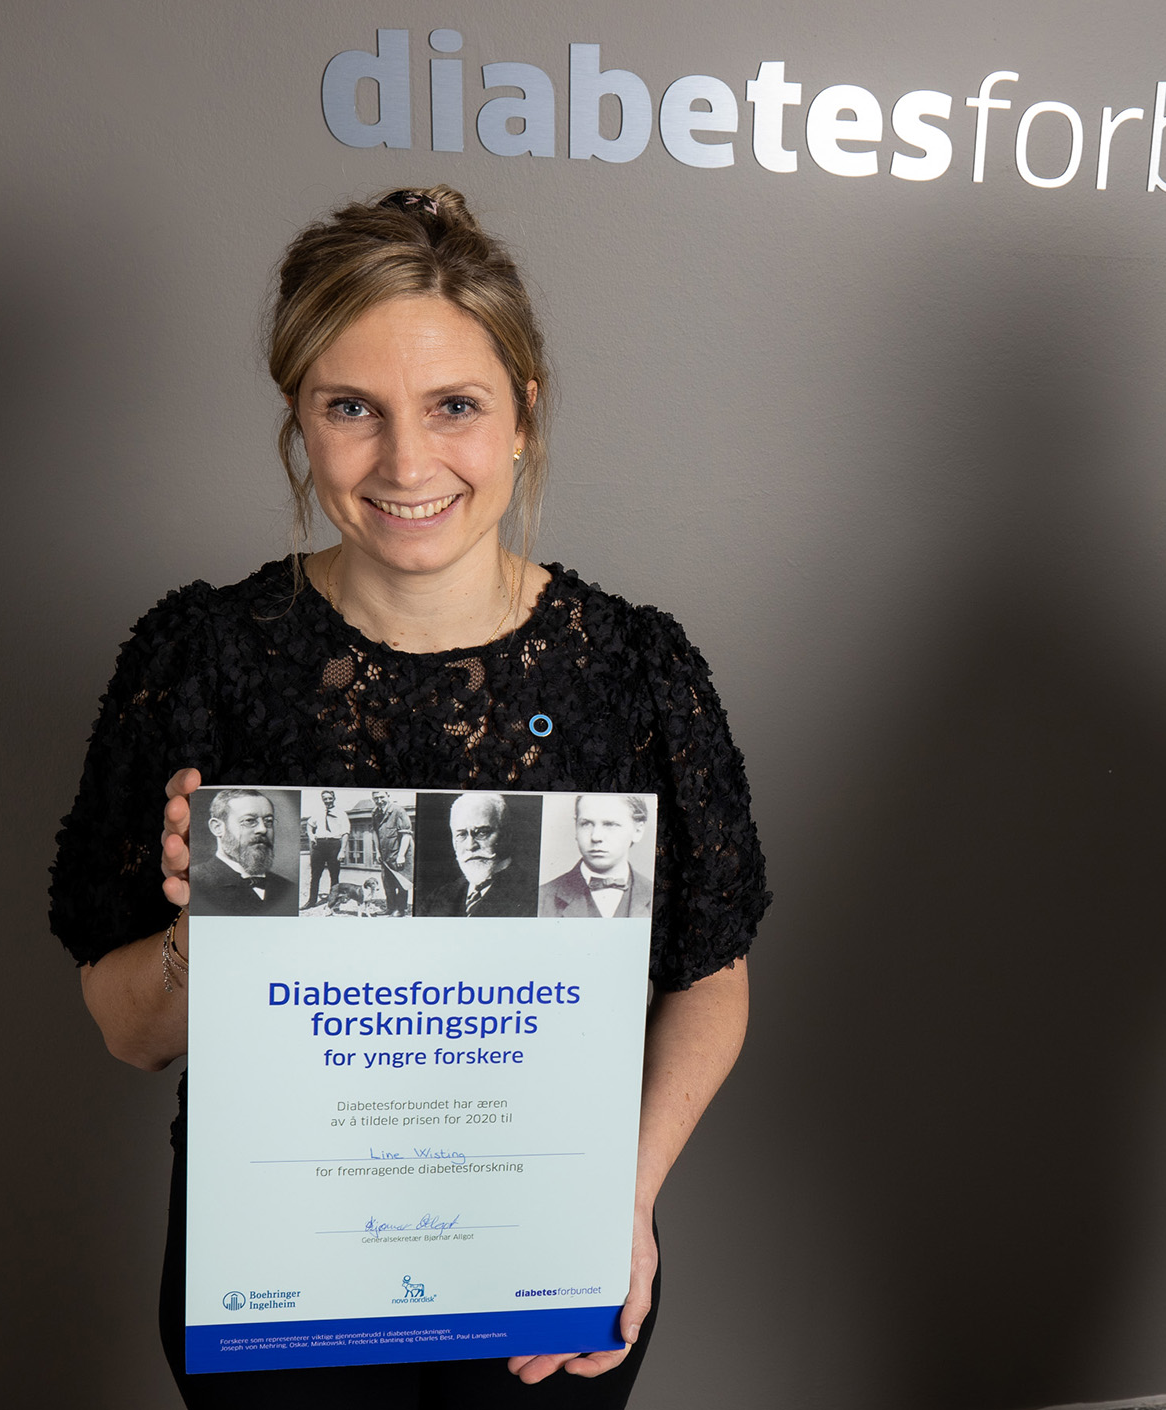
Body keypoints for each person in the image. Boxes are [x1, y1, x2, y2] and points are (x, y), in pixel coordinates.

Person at [51, 186, 770, 1407]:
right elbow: (130, 1033)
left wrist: (626, 1197)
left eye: (454, 406)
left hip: (542, 1261)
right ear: (299, 416)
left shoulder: (635, 671)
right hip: (276, 1269)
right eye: (351, 408)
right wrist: (203, 937)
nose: (405, 462)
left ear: (523, 413)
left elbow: (711, 976)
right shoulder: (202, 656)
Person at [421, 792, 536, 918]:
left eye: (482, 833)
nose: (470, 846)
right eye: (461, 834)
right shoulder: (437, 898)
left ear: (506, 835)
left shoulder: (534, 894)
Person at [186, 788, 297, 917]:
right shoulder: (194, 883)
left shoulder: (288, 888)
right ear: (217, 828)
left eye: (268, 821)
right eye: (249, 821)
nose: (263, 829)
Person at [542, 795, 652, 919]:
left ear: (638, 831)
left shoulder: (656, 895)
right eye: (586, 824)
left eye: (610, 824)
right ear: (576, 828)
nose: (596, 837)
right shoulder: (542, 898)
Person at [372, 788, 413, 917]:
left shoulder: (398, 811)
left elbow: (406, 835)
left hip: (399, 854)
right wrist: (377, 852)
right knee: (388, 883)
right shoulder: (375, 813)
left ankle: (400, 909)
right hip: (385, 856)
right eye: (376, 798)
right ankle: (390, 908)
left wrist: (401, 855)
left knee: (401, 883)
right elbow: (375, 833)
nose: (379, 801)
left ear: (388, 796)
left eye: (382, 797)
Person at [304, 789, 348, 905]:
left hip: (334, 845)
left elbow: (345, 833)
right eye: (325, 799)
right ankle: (311, 901)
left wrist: (342, 850)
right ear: (322, 800)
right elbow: (309, 824)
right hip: (319, 845)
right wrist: (311, 836)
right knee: (315, 874)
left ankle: (333, 902)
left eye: (330, 798)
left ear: (334, 798)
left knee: (334, 875)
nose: (328, 801)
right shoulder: (318, 812)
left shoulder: (341, 813)